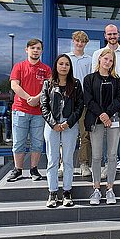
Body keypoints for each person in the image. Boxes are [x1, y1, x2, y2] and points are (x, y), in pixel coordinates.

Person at [92, 24, 120, 179]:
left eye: (114, 34)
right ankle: (107, 164)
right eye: (109, 34)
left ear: (119, 35)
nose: (112, 36)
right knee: (104, 132)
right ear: (105, 35)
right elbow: (94, 75)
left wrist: (117, 84)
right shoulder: (98, 53)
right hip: (103, 101)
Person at [41, 54, 84, 208]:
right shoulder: (48, 83)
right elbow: (43, 106)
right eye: (61, 64)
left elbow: (80, 106)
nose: (64, 66)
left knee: (67, 160)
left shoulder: (76, 84)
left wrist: (68, 123)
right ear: (56, 66)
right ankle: (52, 193)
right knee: (52, 159)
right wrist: (53, 124)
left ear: (70, 67)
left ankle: (67, 192)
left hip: (69, 125)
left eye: (67, 64)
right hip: (51, 125)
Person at [7, 39, 51, 182]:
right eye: (33, 48)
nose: (35, 50)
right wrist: (28, 98)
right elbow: (15, 86)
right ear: (27, 50)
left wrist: (37, 98)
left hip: (39, 112)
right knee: (19, 142)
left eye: (38, 48)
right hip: (20, 110)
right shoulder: (19, 67)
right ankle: (18, 169)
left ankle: (34, 169)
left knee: (37, 142)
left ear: (42, 51)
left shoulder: (46, 69)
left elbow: (49, 87)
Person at [84, 49, 120, 205]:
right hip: (96, 120)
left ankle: (110, 189)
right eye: (106, 59)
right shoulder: (89, 79)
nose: (108, 62)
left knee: (112, 155)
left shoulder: (116, 80)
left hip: (113, 120)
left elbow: (118, 100)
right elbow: (88, 100)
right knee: (97, 156)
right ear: (99, 59)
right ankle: (96, 189)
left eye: (111, 60)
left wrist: (108, 114)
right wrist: (101, 114)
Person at [67, 31, 93, 177]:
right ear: (73, 41)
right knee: (66, 134)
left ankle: (84, 163)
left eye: (82, 41)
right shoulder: (66, 58)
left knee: (85, 135)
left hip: (83, 103)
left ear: (86, 43)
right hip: (69, 101)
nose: (79, 43)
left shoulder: (89, 60)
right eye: (77, 41)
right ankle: (65, 163)